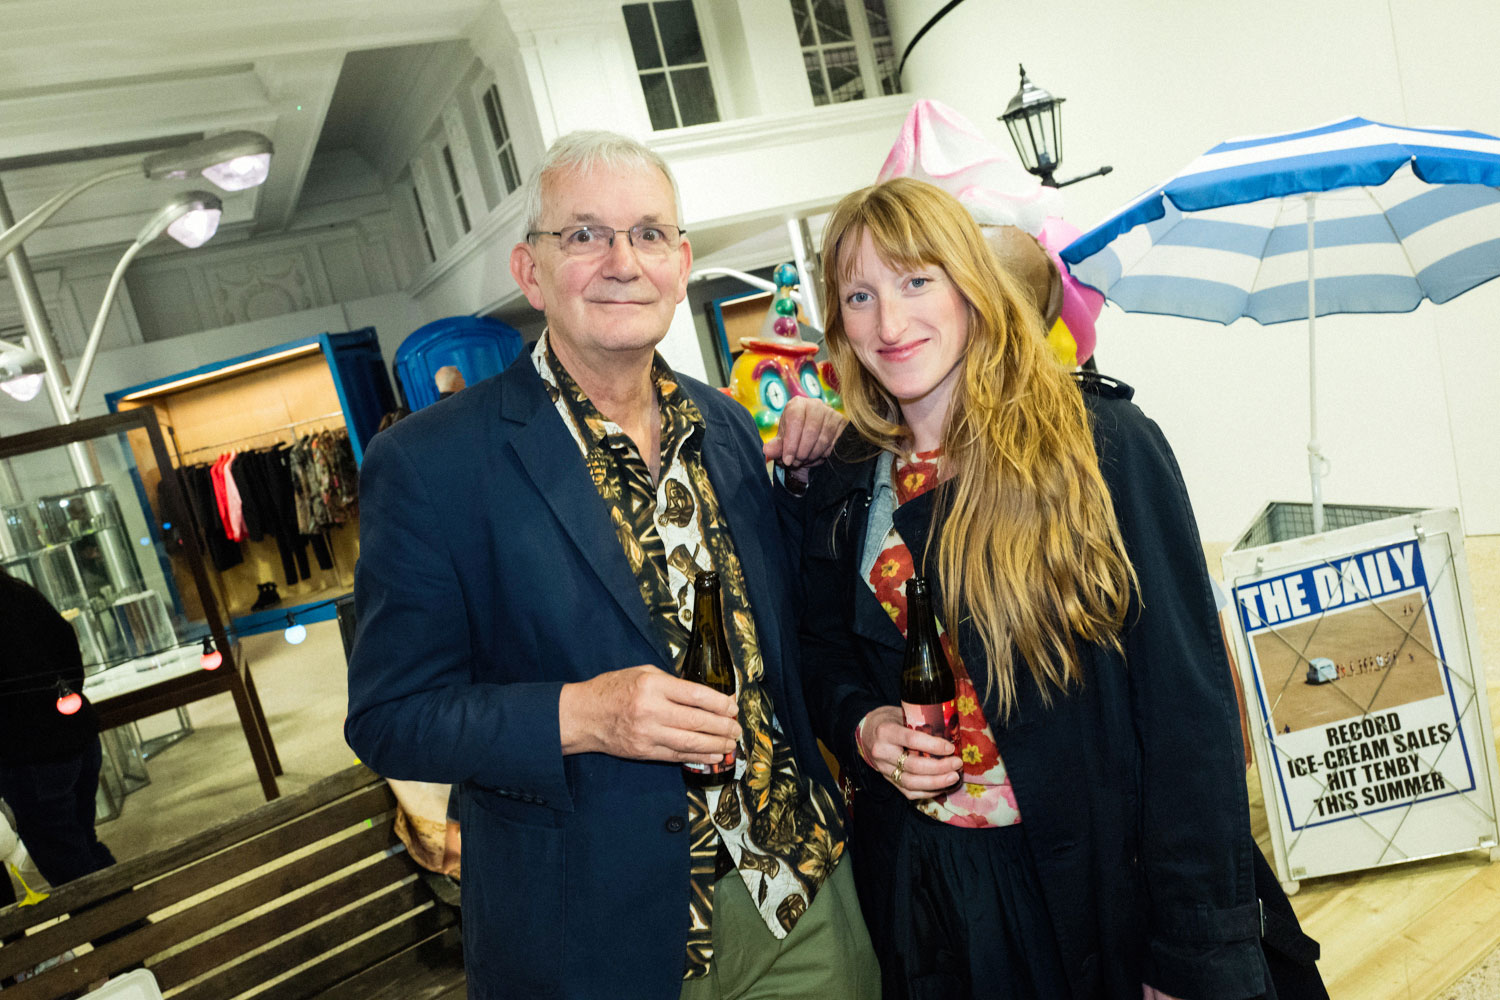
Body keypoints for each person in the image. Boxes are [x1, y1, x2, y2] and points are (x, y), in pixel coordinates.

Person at [345, 130, 874, 1000]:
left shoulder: (729, 428)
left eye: (650, 234)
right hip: (603, 940)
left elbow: (786, 640)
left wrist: (812, 487)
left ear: (682, 262)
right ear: (530, 271)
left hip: (801, 896)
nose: (623, 261)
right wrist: (582, 715)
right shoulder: (432, 465)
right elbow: (392, 716)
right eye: (585, 234)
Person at [790, 176, 1317, 999]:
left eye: (916, 281)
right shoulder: (847, 474)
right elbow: (821, 649)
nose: (889, 324)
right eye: (860, 295)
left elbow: (1187, 713)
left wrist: (1190, 954)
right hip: (934, 899)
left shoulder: (1100, 446)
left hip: (1105, 887)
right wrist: (863, 725)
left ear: (972, 287)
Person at [0, 568, 117, 912]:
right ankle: (132, 937)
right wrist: (65, 700)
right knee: (83, 846)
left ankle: (126, 949)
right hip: (73, 735)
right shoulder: (16, 590)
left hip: (33, 755)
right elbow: (65, 640)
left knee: (69, 866)